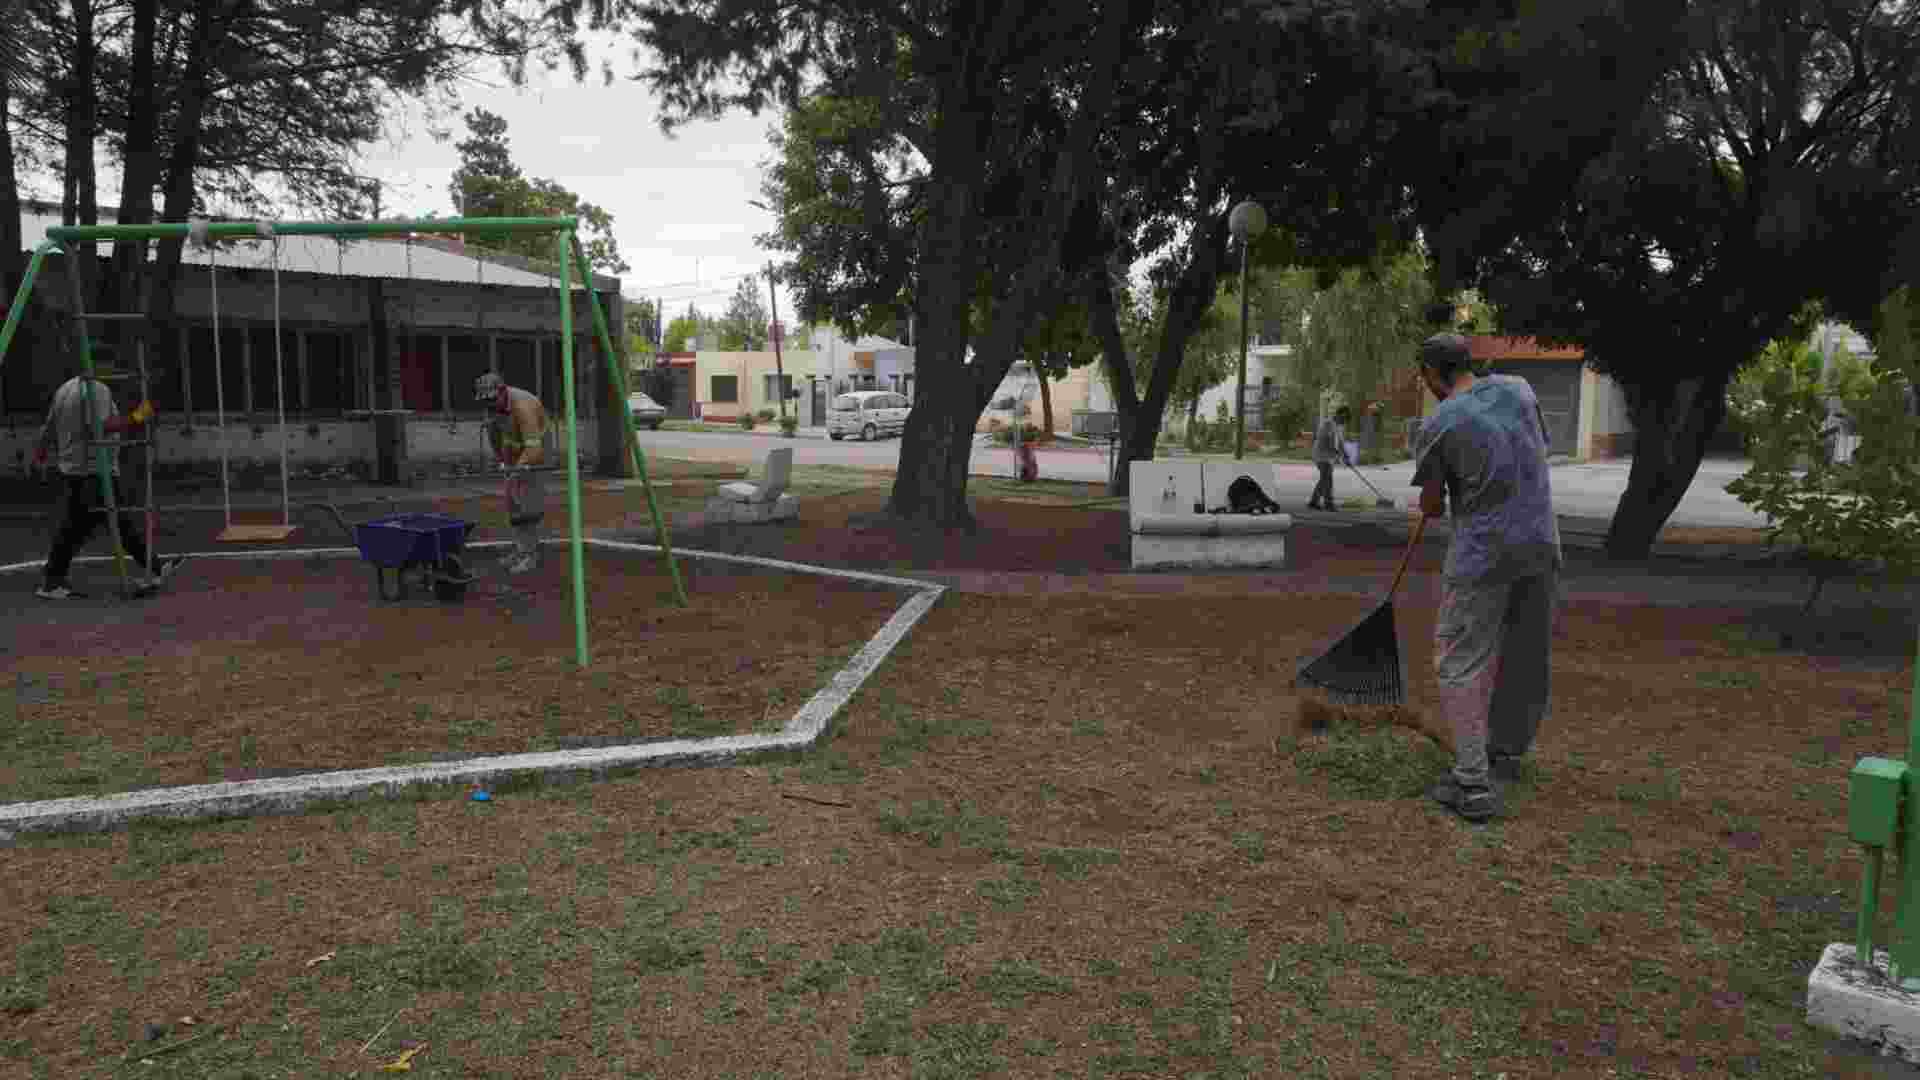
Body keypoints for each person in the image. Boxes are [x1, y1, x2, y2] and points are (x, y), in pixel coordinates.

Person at [1409, 333, 1562, 823]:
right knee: (1525, 655)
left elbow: (1432, 505)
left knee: (1460, 660)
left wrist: (1433, 495)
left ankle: (1472, 783)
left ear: (1432, 374)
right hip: (1541, 544)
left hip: (1484, 555)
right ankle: (1505, 754)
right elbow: (1535, 450)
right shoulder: (1520, 389)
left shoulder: (1440, 422)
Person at [33, 371, 182, 600]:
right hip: (94, 468)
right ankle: (52, 580)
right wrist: (137, 417)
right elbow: (100, 427)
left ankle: (154, 566)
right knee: (97, 524)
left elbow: (49, 427)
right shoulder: (97, 389)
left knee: (93, 524)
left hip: (75, 467)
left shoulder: (65, 389)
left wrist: (41, 452)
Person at [476, 372, 550, 574]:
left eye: (492, 400)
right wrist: (502, 461)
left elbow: (533, 449)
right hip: (514, 444)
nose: (489, 406)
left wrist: (516, 470)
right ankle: (520, 549)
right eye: (485, 402)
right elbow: (493, 434)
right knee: (512, 500)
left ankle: (531, 555)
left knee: (527, 501)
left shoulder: (523, 406)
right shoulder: (492, 407)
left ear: (502, 392)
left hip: (536, 448)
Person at [1308, 406, 1351, 510]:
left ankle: (1314, 501)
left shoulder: (1338, 426)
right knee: (1327, 479)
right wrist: (1340, 455)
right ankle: (1328, 503)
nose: (1344, 422)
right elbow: (1329, 441)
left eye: (1345, 420)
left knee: (1325, 479)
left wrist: (1346, 455)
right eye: (1344, 419)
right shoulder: (1328, 424)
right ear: (1340, 415)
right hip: (1321, 455)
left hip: (1328, 456)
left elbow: (1340, 442)